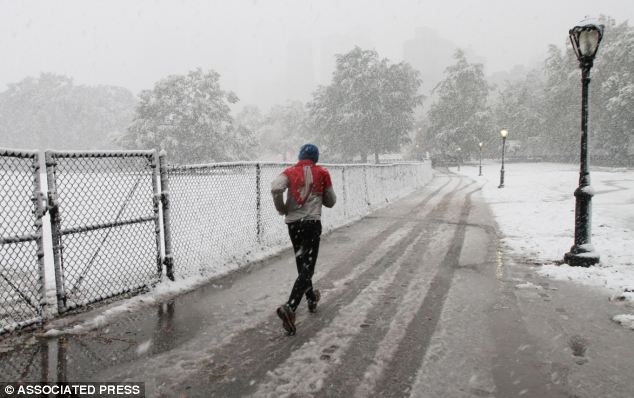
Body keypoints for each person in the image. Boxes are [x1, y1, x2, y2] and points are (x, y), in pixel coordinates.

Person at [271, 144, 336, 335]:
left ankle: (311, 298)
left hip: (293, 224)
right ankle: (290, 307)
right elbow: (331, 201)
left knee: (303, 264)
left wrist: (282, 208)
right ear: (316, 157)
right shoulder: (322, 172)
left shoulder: (289, 172)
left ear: (300, 156)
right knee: (308, 266)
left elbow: (276, 188)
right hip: (311, 223)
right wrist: (320, 195)